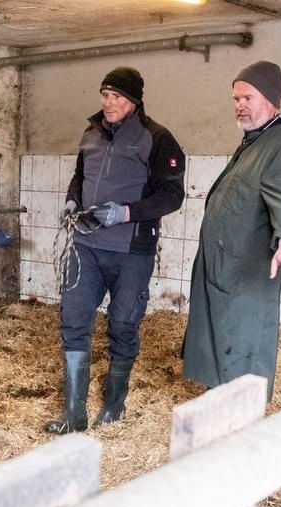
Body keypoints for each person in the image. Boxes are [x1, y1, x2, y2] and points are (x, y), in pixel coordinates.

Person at [45, 66, 185, 433]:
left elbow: (172, 195)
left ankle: (114, 405)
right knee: (74, 320)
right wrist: (73, 200)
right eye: (105, 96)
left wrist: (126, 213)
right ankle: (73, 413)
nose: (108, 103)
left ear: (134, 101)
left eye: (117, 97)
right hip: (86, 244)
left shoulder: (157, 138)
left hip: (131, 249)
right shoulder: (90, 134)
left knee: (123, 322)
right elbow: (81, 175)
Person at [181, 60, 281, 399]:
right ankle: (219, 399)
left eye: (247, 98)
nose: (239, 105)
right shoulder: (255, 141)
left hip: (246, 269)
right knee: (222, 336)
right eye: (236, 98)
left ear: (270, 100)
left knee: (243, 340)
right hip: (228, 264)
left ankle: (239, 413)